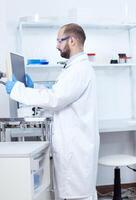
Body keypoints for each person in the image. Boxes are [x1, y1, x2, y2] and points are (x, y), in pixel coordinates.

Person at [5, 23, 99, 200]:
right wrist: (35, 88)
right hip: (75, 144)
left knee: (76, 195)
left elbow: (55, 99)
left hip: (75, 149)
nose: (57, 45)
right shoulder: (74, 68)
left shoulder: (79, 70)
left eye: (59, 40)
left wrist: (19, 90)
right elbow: (59, 94)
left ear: (72, 40)